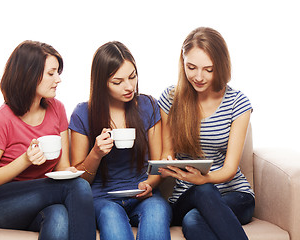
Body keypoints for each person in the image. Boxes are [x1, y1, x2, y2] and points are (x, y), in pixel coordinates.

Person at [0, 40, 96, 240]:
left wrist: (70, 172)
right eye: (51, 73)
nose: (58, 79)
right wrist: (25, 160)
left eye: (58, 72)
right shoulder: (1, 119)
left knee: (58, 216)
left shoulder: (57, 109)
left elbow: (61, 167)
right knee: (79, 187)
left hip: (40, 205)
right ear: (29, 74)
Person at [158, 27, 255, 240]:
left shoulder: (238, 103)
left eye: (208, 70)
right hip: (185, 196)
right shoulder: (170, 98)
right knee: (201, 193)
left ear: (220, 66)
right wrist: (166, 165)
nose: (198, 77)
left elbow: (230, 168)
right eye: (191, 67)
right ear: (182, 63)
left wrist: (205, 179)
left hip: (234, 194)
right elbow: (167, 153)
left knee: (194, 221)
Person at [69, 41, 172, 240]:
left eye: (132, 77)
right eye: (118, 82)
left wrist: (149, 184)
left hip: (143, 194)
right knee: (111, 217)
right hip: (102, 198)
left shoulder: (148, 105)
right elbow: (79, 182)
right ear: (101, 83)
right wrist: (96, 154)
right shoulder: (83, 113)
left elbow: (158, 165)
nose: (129, 86)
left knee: (157, 212)